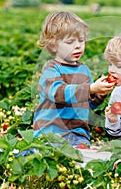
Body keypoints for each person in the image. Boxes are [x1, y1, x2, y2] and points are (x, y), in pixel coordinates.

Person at [32, 11, 114, 147]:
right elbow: (58, 93)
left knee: (80, 160)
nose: (78, 46)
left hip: (77, 133)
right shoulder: (51, 69)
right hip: (50, 132)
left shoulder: (84, 70)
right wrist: (90, 88)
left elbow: (86, 104)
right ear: (53, 45)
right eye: (70, 42)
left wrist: (98, 94)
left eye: (81, 40)